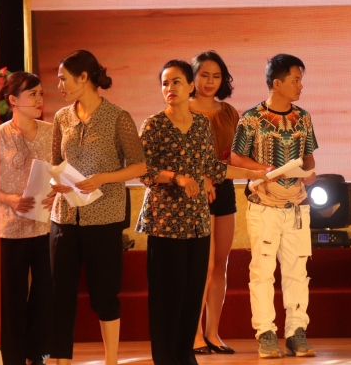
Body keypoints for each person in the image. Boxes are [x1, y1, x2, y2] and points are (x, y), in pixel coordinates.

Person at [137, 60, 267, 365]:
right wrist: (178, 178)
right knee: (167, 296)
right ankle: (165, 358)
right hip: (165, 223)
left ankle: (185, 357)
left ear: (190, 86)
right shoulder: (154, 124)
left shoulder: (200, 125)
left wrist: (256, 173)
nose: (170, 88)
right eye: (165, 83)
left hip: (197, 222)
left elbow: (213, 168)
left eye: (176, 82)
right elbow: (144, 170)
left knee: (192, 292)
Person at [48, 50, 147, 365]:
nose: (59, 85)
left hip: (104, 219)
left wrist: (104, 177)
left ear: (83, 78)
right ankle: (61, 360)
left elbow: (140, 166)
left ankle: (111, 359)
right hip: (64, 217)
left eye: (63, 78)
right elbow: (55, 163)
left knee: (105, 294)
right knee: (59, 293)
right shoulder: (62, 117)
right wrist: (55, 182)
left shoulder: (118, 117)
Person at [231, 54, 319, 358]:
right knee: (263, 271)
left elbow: (309, 157)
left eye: (300, 80)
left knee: (297, 272)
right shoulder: (251, 118)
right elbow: (236, 157)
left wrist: (309, 173)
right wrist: (262, 169)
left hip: (296, 206)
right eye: (296, 80)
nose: (300, 86)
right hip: (263, 205)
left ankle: (296, 333)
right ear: (277, 83)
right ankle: (266, 333)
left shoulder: (303, 118)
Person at [0, 72, 53, 365]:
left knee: (45, 294)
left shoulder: (53, 132)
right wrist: (9, 199)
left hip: (46, 227)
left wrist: (57, 194)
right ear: (13, 100)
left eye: (41, 93)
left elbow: (63, 174)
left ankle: (37, 353)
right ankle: (14, 358)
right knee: (12, 299)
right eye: (32, 94)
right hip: (9, 230)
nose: (39, 99)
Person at [188, 52, 240, 355]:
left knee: (221, 264)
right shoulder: (183, 110)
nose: (210, 81)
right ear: (193, 77)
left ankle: (213, 333)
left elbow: (235, 155)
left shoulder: (230, 112)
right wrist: (203, 176)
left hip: (225, 189)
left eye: (216, 76)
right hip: (197, 192)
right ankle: (194, 334)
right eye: (204, 75)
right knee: (203, 266)